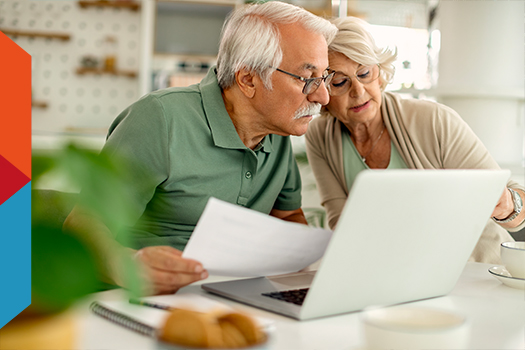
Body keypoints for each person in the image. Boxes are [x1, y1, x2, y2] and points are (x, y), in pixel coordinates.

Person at [63, 1, 338, 294]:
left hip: (231, 294)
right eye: (307, 79)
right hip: (138, 299)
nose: (323, 96)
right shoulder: (160, 119)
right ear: (247, 79)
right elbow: (82, 227)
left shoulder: (278, 131)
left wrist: (300, 253)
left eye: (323, 77)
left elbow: (287, 216)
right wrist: (128, 265)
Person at [305, 16, 525, 264]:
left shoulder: (433, 119)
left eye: (364, 73)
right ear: (321, 88)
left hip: (477, 269)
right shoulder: (320, 136)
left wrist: (508, 205)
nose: (358, 91)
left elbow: (515, 207)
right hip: (396, 273)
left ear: (380, 73)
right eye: (339, 82)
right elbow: (342, 224)